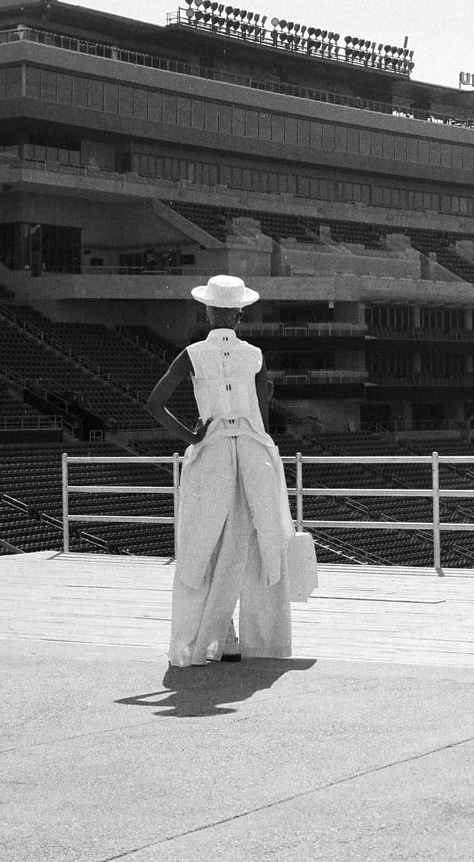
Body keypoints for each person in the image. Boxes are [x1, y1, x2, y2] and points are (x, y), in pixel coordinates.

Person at [146, 274, 313, 666]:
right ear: (239, 314)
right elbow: (263, 417)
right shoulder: (254, 355)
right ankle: (260, 640)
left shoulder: (191, 354)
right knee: (257, 544)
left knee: (204, 546)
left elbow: (155, 403)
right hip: (254, 455)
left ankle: (204, 640)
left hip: (213, 453)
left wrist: (191, 436)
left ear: (207, 312)